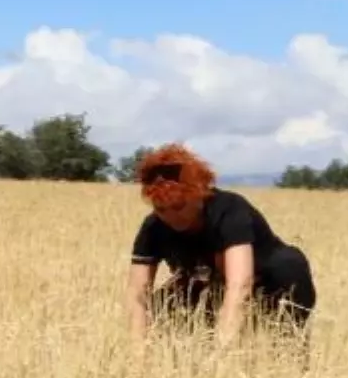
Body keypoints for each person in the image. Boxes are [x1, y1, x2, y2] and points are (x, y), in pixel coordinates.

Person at [125, 143, 317, 348]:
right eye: (161, 209)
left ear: (199, 193)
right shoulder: (153, 227)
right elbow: (137, 295)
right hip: (208, 284)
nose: (172, 217)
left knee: (287, 266)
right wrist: (139, 355)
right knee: (163, 305)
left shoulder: (229, 210)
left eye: (179, 206)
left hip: (268, 283)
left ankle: (288, 350)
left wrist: (222, 354)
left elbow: (240, 284)